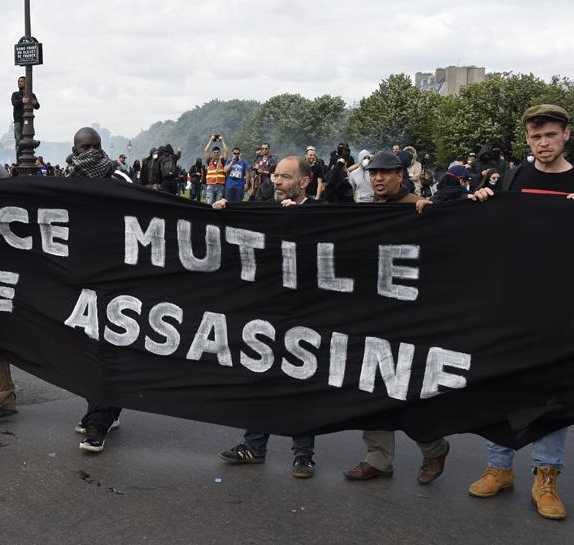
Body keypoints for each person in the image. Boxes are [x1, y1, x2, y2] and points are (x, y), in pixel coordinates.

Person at [467, 104, 574, 521]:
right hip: (511, 303)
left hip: (562, 306)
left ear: (565, 134)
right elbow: (489, 235)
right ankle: (499, 466)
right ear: (526, 140)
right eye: (535, 137)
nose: (543, 143)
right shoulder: (512, 179)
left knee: (555, 392)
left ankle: (546, 477)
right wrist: (479, 203)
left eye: (549, 135)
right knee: (503, 385)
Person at [343, 150, 450, 483]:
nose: (378, 179)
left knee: (410, 388)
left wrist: (434, 216)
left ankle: (434, 450)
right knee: (370, 387)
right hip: (373, 313)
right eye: (373, 173)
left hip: (411, 317)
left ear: (400, 176)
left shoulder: (419, 207)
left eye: (386, 173)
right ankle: (378, 458)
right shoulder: (368, 212)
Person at [214, 157, 320, 478]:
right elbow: (236, 231)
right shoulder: (263, 207)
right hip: (265, 310)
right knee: (260, 377)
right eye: (274, 176)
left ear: (304, 182)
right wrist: (223, 211)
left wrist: (299, 221)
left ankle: (303, 455)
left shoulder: (322, 212)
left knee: (299, 383)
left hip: (305, 311)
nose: (276, 181)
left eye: (285, 177)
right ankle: (254, 446)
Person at [65, 127, 124, 453]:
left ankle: (97, 423)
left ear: (101, 147)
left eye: (93, 147)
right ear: (75, 149)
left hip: (116, 280)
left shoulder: (120, 181)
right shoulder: (68, 182)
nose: (88, 153)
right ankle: (105, 410)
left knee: (105, 351)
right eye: (82, 147)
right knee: (89, 351)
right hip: (81, 278)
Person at [11, 76, 40, 160]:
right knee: (19, 141)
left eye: (22, 81)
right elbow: (14, 103)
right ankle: (19, 160)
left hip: (28, 122)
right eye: (19, 81)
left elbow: (37, 106)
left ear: (26, 83)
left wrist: (35, 102)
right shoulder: (15, 94)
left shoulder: (32, 95)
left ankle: (27, 159)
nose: (20, 83)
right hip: (18, 121)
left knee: (28, 141)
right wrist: (22, 101)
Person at [203, 136, 227, 205]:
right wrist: (211, 140)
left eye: (217, 152)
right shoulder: (209, 160)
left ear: (219, 152)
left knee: (218, 204)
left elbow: (226, 151)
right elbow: (206, 150)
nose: (216, 154)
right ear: (213, 153)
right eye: (215, 152)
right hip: (210, 184)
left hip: (220, 185)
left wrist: (222, 140)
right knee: (209, 203)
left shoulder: (222, 160)